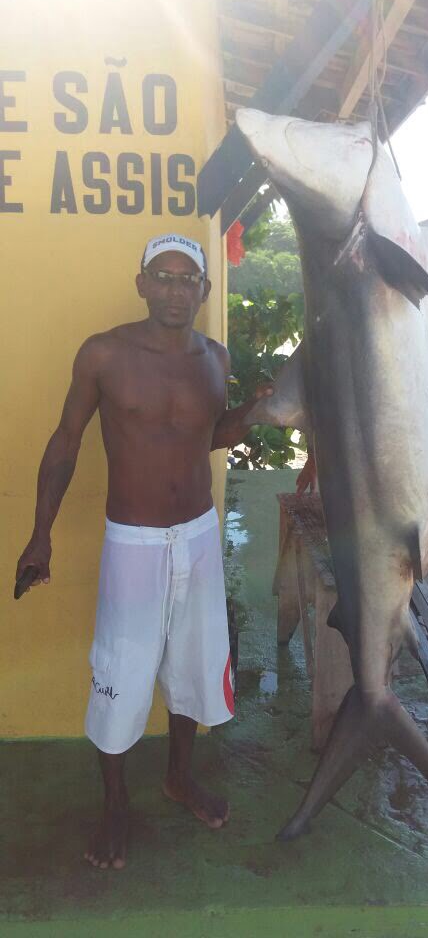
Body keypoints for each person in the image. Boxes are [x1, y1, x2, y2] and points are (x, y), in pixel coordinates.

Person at [15, 233, 271, 870]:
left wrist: (258, 411)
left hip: (201, 536)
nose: (176, 289)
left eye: (189, 279)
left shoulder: (216, 356)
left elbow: (211, 435)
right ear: (142, 283)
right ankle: (114, 804)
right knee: (122, 674)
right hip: (132, 541)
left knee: (193, 661)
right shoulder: (103, 354)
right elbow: (66, 441)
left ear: (205, 292)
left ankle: (179, 777)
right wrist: (40, 534)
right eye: (164, 276)